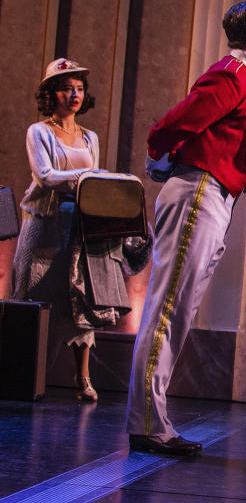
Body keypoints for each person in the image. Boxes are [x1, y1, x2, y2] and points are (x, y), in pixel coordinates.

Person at [125, 0, 246, 455]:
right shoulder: (233, 75)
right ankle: (147, 424)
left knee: (177, 310)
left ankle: (150, 419)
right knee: (168, 308)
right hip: (199, 190)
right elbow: (172, 124)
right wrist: (160, 157)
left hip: (215, 195)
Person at [14, 58, 147, 402]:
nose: (74, 94)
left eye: (79, 88)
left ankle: (82, 377)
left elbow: (93, 184)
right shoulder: (38, 132)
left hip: (77, 225)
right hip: (44, 224)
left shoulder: (89, 138)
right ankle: (19, 371)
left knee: (80, 297)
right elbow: (45, 175)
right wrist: (86, 179)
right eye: (66, 87)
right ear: (51, 93)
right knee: (30, 293)